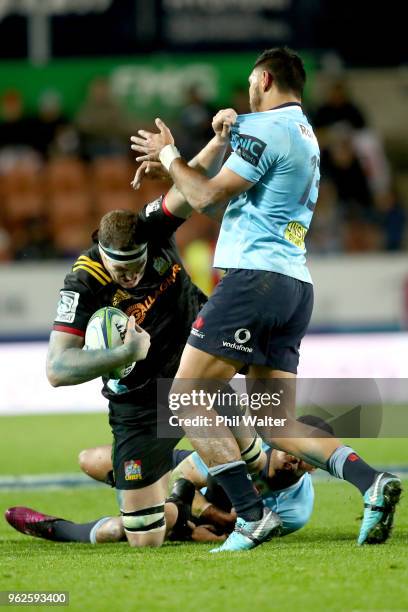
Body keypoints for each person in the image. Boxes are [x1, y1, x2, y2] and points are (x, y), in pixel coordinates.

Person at [131, 47, 402, 551]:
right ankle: (372, 483)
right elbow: (216, 198)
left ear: (264, 78)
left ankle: (252, 516)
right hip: (293, 285)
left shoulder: (266, 128)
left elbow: (204, 198)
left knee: (186, 395)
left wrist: (170, 155)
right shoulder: (302, 133)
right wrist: (216, 144)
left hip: (253, 280)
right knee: (273, 422)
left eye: (251, 81)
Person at [42, 112, 264, 549]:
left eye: (138, 266)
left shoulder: (152, 228)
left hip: (193, 367)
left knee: (254, 458)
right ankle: (163, 505)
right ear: (102, 255)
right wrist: (123, 355)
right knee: (144, 538)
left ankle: (227, 498)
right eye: (120, 270)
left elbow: (188, 186)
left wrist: (217, 143)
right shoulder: (82, 283)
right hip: (140, 404)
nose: (130, 277)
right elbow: (57, 367)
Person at [5, 415, 328, 545]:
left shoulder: (296, 511)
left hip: (196, 510)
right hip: (187, 479)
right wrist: (208, 512)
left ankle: (54, 528)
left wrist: (192, 528)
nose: (297, 457)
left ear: (315, 467)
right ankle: (143, 499)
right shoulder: (246, 446)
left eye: (309, 457)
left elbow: (236, 529)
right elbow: (186, 477)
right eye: (295, 446)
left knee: (119, 530)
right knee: (91, 459)